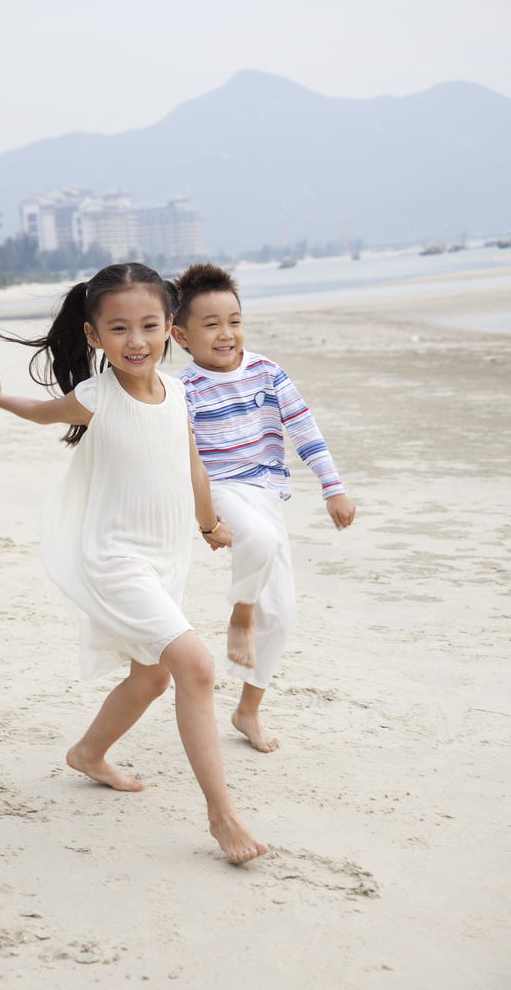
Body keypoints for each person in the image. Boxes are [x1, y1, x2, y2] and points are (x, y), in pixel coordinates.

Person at [0, 262, 268, 863]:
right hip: (114, 560)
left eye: (149, 325)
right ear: (93, 336)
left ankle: (87, 754)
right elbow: (41, 411)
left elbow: (193, 467)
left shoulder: (177, 392)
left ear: (169, 329)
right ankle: (222, 814)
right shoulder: (97, 396)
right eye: (119, 328)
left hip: (163, 559)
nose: (136, 340)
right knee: (195, 666)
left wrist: (209, 526)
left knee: (151, 676)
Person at [171, 263, 356, 754]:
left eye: (234, 320)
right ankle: (240, 613)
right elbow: (175, 462)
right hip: (221, 487)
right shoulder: (182, 391)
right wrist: (203, 519)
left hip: (267, 491)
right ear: (181, 335)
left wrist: (332, 487)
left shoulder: (268, 372)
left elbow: (303, 429)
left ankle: (246, 708)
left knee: (285, 613)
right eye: (210, 324)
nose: (226, 333)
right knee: (261, 541)